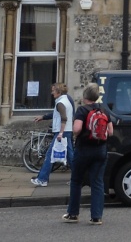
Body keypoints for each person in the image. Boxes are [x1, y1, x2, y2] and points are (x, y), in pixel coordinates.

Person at [62, 84, 113, 225]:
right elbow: (111, 132)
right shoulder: (104, 110)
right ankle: (96, 217)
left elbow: (77, 129)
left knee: (76, 181)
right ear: (96, 97)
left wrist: (74, 129)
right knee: (97, 183)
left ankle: (73, 214)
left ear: (85, 97)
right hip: (101, 150)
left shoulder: (82, 110)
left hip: (83, 150)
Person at [32, 83, 74, 187]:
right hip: (66, 131)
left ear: (58, 92)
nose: (52, 93)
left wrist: (60, 133)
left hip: (62, 132)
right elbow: (57, 115)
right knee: (70, 157)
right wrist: (43, 117)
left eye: (53, 91)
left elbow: (64, 118)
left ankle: (42, 179)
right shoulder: (66, 100)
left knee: (50, 155)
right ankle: (81, 178)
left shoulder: (60, 103)